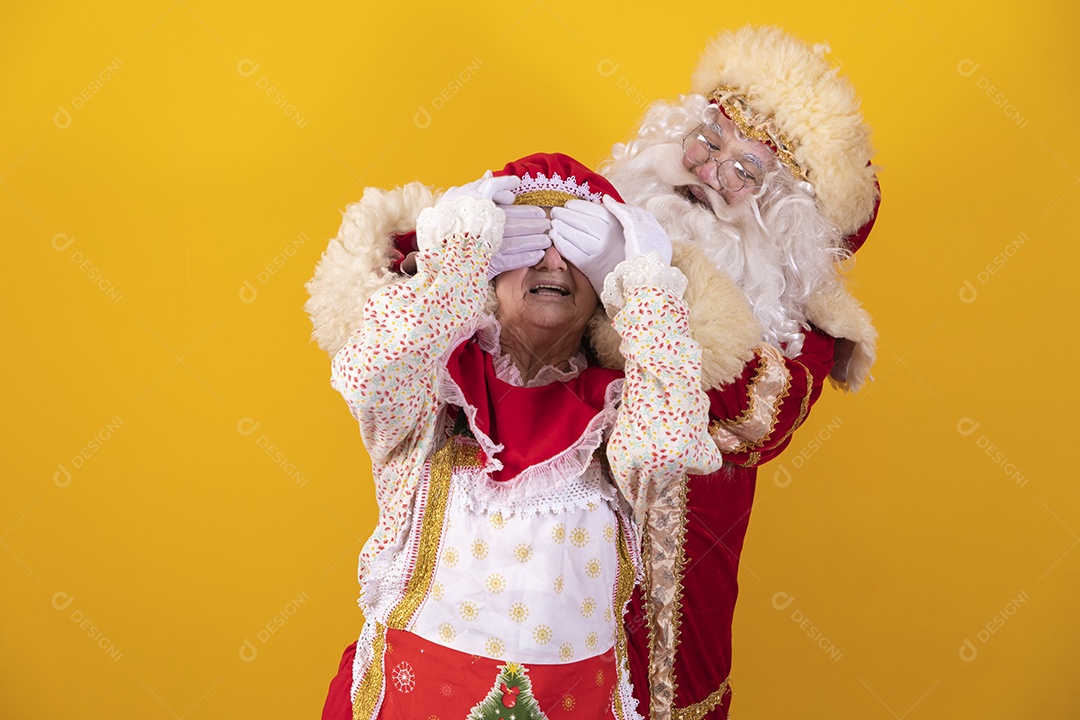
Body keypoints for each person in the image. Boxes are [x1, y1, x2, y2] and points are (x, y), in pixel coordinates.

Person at [307, 153, 723, 720]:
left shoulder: (627, 404)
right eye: (530, 243)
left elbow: (668, 452)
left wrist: (644, 282)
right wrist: (457, 252)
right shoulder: (434, 387)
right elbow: (371, 372)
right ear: (491, 265)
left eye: (576, 250)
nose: (552, 263)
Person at [596, 25, 882, 719]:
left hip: (670, 589)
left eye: (746, 170)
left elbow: (744, 419)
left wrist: (668, 294)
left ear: (784, 220)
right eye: (710, 139)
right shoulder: (598, 218)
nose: (708, 173)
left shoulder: (804, 337)